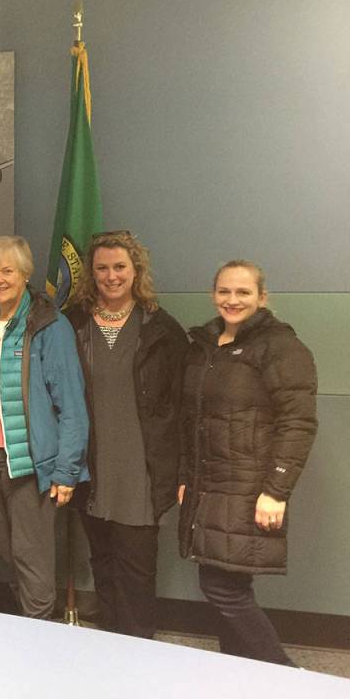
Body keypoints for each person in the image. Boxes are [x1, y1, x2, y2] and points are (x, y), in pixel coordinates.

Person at [178, 260, 317, 665]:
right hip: (209, 484)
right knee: (227, 583)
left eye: (243, 292)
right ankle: (241, 676)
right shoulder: (206, 346)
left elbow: (298, 422)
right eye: (225, 291)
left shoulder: (280, 346)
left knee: (224, 588)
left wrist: (276, 490)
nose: (232, 300)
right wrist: (188, 476)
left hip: (249, 487)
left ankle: (286, 677)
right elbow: (194, 421)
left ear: (262, 297)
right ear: (213, 294)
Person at [63, 231, 187, 637]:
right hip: (91, 469)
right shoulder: (73, 324)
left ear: (136, 271)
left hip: (141, 472)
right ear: (91, 273)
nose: (111, 275)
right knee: (103, 563)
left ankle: (138, 653)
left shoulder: (162, 329)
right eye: (102, 267)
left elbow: (181, 408)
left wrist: (181, 471)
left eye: (120, 267)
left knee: (136, 572)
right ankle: (111, 650)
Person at [0, 236, 89, 619]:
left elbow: (71, 405)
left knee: (32, 559)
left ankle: (40, 646)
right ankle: (26, 632)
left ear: (25, 274)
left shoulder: (49, 326)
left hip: (29, 465)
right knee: (7, 554)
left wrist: (66, 471)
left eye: (7, 270)